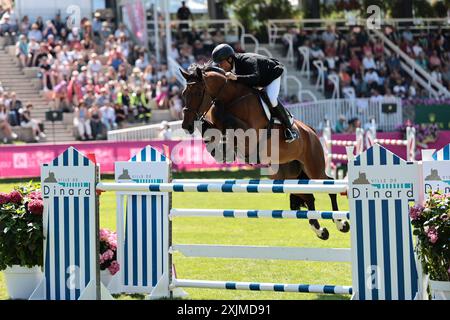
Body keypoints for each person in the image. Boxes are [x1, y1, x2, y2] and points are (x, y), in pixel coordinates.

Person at [211, 43, 299, 142]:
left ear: (230, 59)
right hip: (258, 79)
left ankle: (289, 128)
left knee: (271, 98)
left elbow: (255, 77)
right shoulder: (232, 66)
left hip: (271, 74)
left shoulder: (247, 60)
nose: (220, 66)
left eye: (221, 63)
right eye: (218, 64)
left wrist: (236, 77)